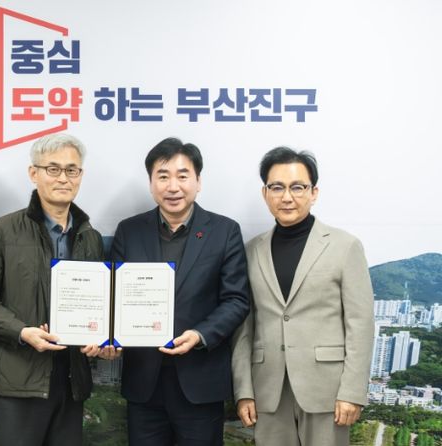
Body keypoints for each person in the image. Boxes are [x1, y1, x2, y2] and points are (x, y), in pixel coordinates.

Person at [0, 133, 104, 446]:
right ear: (33, 173)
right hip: (19, 378)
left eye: (72, 170)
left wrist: (100, 336)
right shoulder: (2, 231)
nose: (63, 178)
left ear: (81, 175)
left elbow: (98, 304)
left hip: (71, 380)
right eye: (53, 169)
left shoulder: (90, 237)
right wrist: (22, 332)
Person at [231, 146, 375, 446]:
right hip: (267, 390)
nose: (287, 197)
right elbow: (244, 327)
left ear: (314, 192)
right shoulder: (250, 250)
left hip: (327, 391)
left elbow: (360, 324)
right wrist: (244, 391)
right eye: (277, 187)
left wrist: (352, 391)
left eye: (297, 187)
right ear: (265, 193)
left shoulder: (345, 246)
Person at [110, 137, 249, 446]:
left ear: (198, 182)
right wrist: (109, 337)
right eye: (163, 176)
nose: (173, 186)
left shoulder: (224, 231)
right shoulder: (129, 231)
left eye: (182, 176)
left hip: (200, 381)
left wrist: (200, 334)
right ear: (151, 183)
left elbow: (236, 300)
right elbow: (114, 297)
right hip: (144, 383)